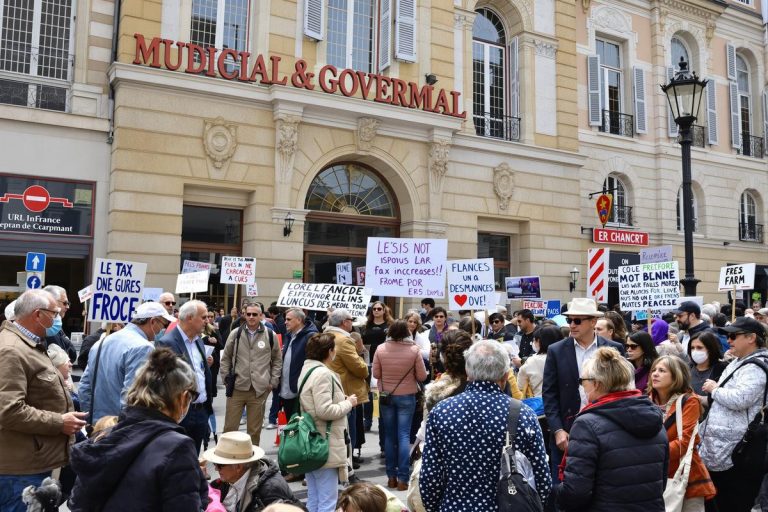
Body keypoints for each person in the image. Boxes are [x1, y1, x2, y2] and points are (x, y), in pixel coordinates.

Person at [68, 348, 208, 511]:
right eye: (192, 396)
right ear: (183, 397)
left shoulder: (107, 435)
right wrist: (202, 489)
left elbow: (78, 502)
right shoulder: (178, 447)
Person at [420, 340, 551, 510]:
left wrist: (435, 507)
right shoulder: (524, 414)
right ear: (505, 374)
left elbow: (430, 477)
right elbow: (542, 478)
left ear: (468, 371)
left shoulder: (442, 412)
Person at [0, 290, 84, 512]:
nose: (59, 317)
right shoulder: (12, 349)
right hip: (20, 470)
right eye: (54, 313)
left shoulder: (28, 343)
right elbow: (9, 411)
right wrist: (59, 422)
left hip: (32, 464)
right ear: (38, 315)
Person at [556, 347, 668, 511]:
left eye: (583, 382)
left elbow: (576, 491)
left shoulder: (587, 423)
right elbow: (660, 482)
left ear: (596, 384)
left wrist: (556, 492)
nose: (582, 387)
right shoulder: (652, 414)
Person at [542, 298, 626, 480]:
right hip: (566, 435)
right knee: (563, 492)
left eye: (577, 320)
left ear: (593, 322)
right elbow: (549, 394)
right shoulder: (556, 350)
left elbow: (621, 392)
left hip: (605, 432)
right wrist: (557, 430)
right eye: (569, 320)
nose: (572, 325)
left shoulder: (614, 348)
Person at [699, 317, 768, 511]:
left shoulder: (755, 367)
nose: (728, 340)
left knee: (733, 503)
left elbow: (740, 399)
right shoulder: (738, 362)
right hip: (723, 451)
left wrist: (714, 389)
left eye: (733, 336)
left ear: (751, 338)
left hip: (739, 453)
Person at [79, 301, 174, 423]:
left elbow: (84, 387)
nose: (163, 329)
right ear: (153, 321)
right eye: (164, 324)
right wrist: (124, 428)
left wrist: (92, 421)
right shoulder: (143, 347)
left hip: (98, 425)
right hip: (120, 428)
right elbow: (132, 396)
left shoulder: (101, 342)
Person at [299, 332, 358, 512]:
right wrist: (348, 403)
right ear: (329, 351)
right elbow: (324, 410)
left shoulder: (307, 369)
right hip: (325, 442)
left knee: (315, 498)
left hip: (311, 441)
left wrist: (341, 400)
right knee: (327, 501)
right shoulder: (323, 373)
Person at [649, 356, 716, 511]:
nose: (655, 374)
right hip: (653, 474)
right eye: (654, 370)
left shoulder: (689, 401)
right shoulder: (646, 400)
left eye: (662, 370)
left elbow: (684, 442)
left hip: (683, 474)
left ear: (676, 376)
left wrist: (650, 453)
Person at [372, 320, 427, 490]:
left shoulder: (380, 349)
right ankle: (403, 479)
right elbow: (422, 376)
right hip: (407, 396)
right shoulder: (414, 350)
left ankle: (391, 477)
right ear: (406, 332)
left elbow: (375, 373)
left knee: (389, 436)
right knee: (404, 436)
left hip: (387, 396)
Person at [219, 302, 282, 447]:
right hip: (237, 388)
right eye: (249, 314)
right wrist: (226, 378)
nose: (251, 317)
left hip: (259, 390)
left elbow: (277, 360)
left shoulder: (270, 335)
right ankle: (228, 462)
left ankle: (252, 465)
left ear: (261, 316)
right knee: (230, 429)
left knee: (254, 431)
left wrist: (273, 382)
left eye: (255, 314)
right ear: (244, 315)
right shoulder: (236, 334)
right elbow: (226, 358)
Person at [158, 299, 217, 453]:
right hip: (181, 412)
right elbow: (164, 381)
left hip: (201, 410)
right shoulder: (167, 342)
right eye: (203, 317)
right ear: (190, 318)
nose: (207, 321)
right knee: (178, 457)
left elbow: (199, 370)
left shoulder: (199, 341)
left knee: (194, 456)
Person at [205, 431, 303, 511]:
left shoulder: (270, 489)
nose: (216, 468)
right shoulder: (225, 482)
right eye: (215, 464)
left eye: (220, 465)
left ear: (238, 467)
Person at [326, 309, 369, 462]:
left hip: (335, 388)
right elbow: (359, 367)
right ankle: (347, 464)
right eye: (351, 319)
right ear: (345, 322)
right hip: (346, 390)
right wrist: (365, 366)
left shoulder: (327, 335)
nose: (352, 322)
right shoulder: (343, 340)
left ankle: (346, 461)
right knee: (347, 432)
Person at [279, 307, 319, 421]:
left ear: (299, 320)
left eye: (288, 319)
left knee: (301, 428)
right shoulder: (289, 335)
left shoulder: (311, 336)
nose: (285, 322)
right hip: (286, 389)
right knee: (291, 427)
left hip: (301, 391)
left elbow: (314, 363)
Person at [518, 325, 560, 398]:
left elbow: (520, 385)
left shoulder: (531, 361)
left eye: (535, 340)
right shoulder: (565, 357)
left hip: (538, 403)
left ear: (539, 341)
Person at [687, 332, 728, 399]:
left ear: (710, 349)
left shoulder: (723, 369)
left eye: (699, 348)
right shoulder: (687, 368)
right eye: (692, 348)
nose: (695, 351)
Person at [42, 285, 77, 363]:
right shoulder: (49, 329)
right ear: (52, 301)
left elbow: (72, 354)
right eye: (65, 303)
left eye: (68, 303)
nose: (68, 307)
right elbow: (64, 359)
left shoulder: (56, 326)